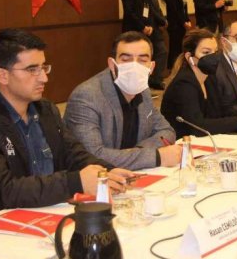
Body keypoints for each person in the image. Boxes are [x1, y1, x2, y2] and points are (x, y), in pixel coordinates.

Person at [0, 29, 134, 213]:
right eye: (32, 70)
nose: (44, 78)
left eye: (44, 67)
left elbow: (73, 154)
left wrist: (106, 172)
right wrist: (75, 182)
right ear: (3, 75)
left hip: (48, 210)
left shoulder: (45, 109)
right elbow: (4, 191)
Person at [64, 32, 180, 171]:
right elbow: (92, 157)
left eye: (142, 60)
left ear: (151, 67)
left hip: (131, 175)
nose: (134, 66)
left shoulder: (143, 90)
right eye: (126, 59)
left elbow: (166, 131)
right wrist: (155, 156)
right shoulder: (87, 96)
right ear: (112, 65)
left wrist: (136, 152)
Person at [161, 29, 237, 138]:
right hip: (182, 143)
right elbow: (197, 127)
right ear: (189, 57)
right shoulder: (184, 84)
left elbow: (221, 111)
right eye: (206, 52)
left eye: (215, 52)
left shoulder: (209, 77)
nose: (213, 57)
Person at [143, 0, 168, 89]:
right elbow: (152, 11)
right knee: (161, 52)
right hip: (151, 28)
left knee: (159, 53)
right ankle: (155, 79)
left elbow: (158, 9)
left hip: (157, 27)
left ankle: (155, 78)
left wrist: (163, 19)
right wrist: (162, 21)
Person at [164, 0, 192, 69]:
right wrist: (183, 22)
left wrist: (188, 20)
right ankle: (173, 67)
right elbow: (174, 10)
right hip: (175, 25)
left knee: (180, 46)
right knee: (174, 47)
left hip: (181, 25)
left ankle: (179, 66)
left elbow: (184, 7)